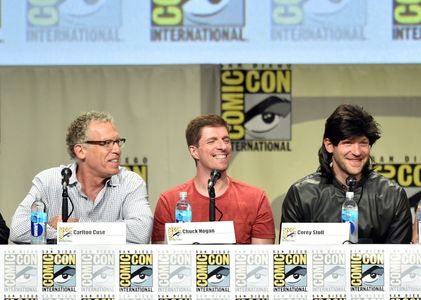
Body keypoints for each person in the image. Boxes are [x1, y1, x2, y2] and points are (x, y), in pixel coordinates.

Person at [10, 111, 153, 244]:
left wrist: (74, 226)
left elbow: (141, 231)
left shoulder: (131, 183)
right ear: (80, 151)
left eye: (117, 142)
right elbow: (18, 230)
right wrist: (105, 233)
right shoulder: (48, 181)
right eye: (106, 143)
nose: (116, 150)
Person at [281, 104, 412, 244]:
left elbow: (398, 262)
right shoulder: (300, 195)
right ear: (329, 145)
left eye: (363, 143)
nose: (357, 151)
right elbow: (290, 261)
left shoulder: (392, 196)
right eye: (348, 142)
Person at [152, 115, 275, 244]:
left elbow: (262, 261)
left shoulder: (255, 199)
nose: (223, 146)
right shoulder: (169, 201)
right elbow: (161, 260)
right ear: (194, 152)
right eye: (212, 141)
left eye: (226, 140)